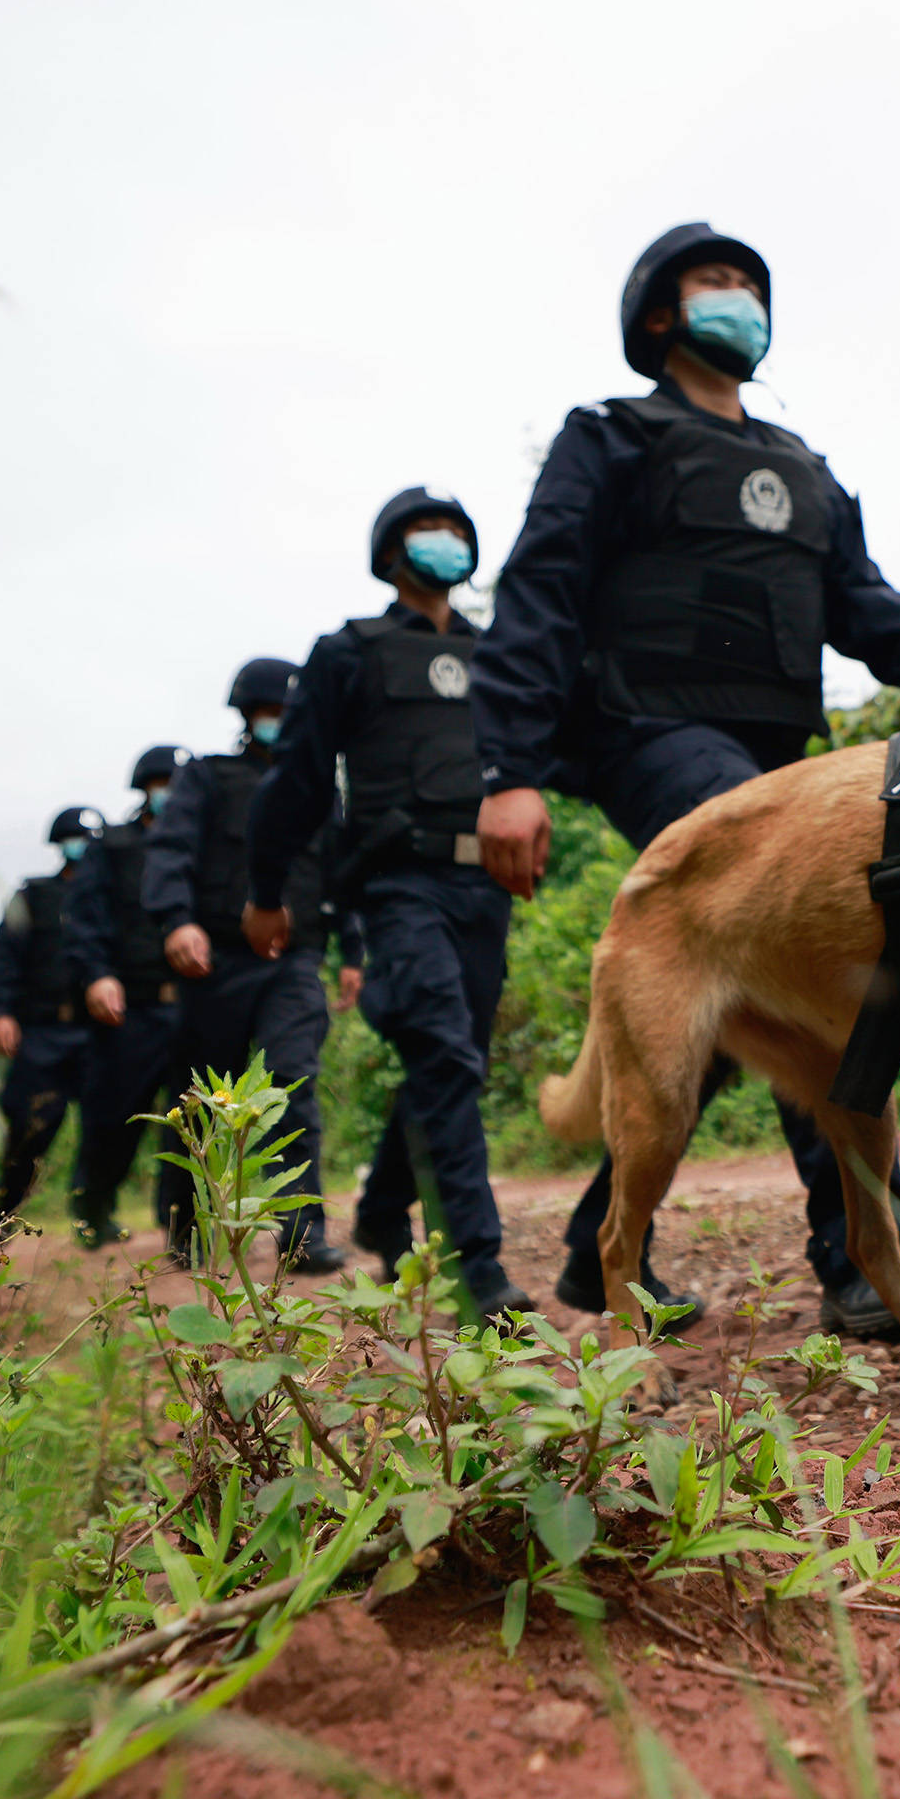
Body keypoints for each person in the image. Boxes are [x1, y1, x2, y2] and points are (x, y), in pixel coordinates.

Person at [471, 221, 900, 1339]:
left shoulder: (802, 468)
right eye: (713, 283)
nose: (738, 299)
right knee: (822, 949)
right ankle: (867, 1260)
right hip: (650, 731)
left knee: (746, 988)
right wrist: (507, 770)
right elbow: (538, 596)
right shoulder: (610, 437)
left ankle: (597, 1249)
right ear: (661, 316)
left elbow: (863, 603)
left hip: (785, 759)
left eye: (749, 285)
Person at [245, 488, 533, 1323]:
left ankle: (376, 1213)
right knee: (443, 1055)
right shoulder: (349, 653)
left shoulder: (497, 654)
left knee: (457, 1061)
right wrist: (268, 893)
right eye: (423, 532)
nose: (444, 542)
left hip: (486, 885)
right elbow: (297, 780)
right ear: (388, 554)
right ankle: (481, 1271)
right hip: (397, 886)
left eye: (455, 532)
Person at [143, 659, 345, 1272]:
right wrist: (177, 921)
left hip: (295, 958)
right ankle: (187, 1229)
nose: (280, 723)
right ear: (246, 713)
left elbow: (341, 873)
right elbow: (171, 850)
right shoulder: (207, 778)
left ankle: (301, 1236)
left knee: (292, 1082)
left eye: (290, 714)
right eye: (270, 712)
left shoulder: (318, 788)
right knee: (203, 1097)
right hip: (217, 961)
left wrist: (355, 955)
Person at [60, 743, 188, 1251]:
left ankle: (182, 1229)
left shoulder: (198, 843)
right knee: (113, 1117)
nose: (169, 794)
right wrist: (96, 975)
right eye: (161, 784)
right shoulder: (112, 846)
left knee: (191, 1120)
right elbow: (83, 917)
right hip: (127, 1008)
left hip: (190, 1003)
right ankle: (93, 1212)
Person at [0, 806, 99, 1238]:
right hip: (41, 1033)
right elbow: (3, 958)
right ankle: (2, 1220)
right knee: (29, 1128)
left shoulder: (112, 897)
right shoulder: (33, 895)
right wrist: (2, 1012)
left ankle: (95, 1219)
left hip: (98, 1033)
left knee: (105, 1127)